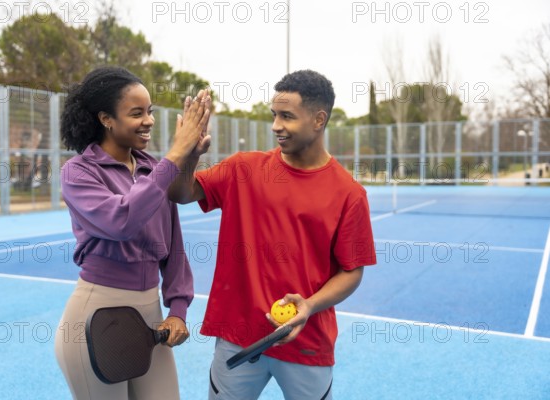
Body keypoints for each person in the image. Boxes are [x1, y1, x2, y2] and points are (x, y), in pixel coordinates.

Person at [168, 69, 377, 399]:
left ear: (319, 119)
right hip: (238, 335)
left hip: (307, 345)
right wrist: (189, 156)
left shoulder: (349, 193)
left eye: (287, 116)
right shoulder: (243, 169)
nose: (276, 126)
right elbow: (180, 193)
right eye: (274, 115)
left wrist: (309, 305)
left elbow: (352, 272)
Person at [55, 66, 210, 400]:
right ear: (106, 119)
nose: (149, 121)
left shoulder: (154, 168)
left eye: (150, 112)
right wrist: (173, 157)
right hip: (96, 318)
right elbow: (121, 220)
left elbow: (174, 247)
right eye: (137, 113)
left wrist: (178, 310)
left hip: (150, 316)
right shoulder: (78, 172)